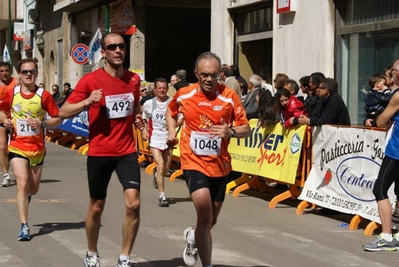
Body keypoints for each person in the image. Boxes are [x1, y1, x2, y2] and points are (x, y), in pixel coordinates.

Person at [59, 33, 145, 267]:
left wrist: (138, 118)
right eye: (112, 47)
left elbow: (134, 104)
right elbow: (63, 112)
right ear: (104, 52)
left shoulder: (134, 80)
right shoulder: (90, 81)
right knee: (96, 207)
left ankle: (124, 258)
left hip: (126, 151)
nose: (118, 50)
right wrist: (87, 102)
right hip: (99, 152)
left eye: (121, 46)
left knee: (134, 204)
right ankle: (92, 252)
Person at [166, 52, 250, 267]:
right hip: (193, 161)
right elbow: (170, 110)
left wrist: (230, 132)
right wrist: (171, 131)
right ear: (196, 74)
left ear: (220, 74)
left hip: (220, 165)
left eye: (214, 75)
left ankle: (193, 237)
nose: (209, 80)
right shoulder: (184, 94)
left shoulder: (230, 96)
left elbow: (246, 129)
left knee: (210, 220)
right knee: (204, 213)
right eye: (204, 75)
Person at [0, 58, 61, 241]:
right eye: (25, 71)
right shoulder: (12, 93)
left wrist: (42, 123)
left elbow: (58, 119)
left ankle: (28, 195)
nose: (28, 74)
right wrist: (5, 120)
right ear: (19, 74)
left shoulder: (44, 95)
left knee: (32, 189)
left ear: (36, 74)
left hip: (37, 148)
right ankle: (24, 226)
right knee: (22, 182)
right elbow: (2, 111)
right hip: (17, 146)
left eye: (32, 71)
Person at [363, 59, 399, 251]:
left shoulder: (397, 95)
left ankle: (386, 236)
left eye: (391, 71)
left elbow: (381, 120)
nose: (389, 74)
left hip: (396, 150)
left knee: (380, 190)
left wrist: (373, 118)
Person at [141, 78, 172, 207]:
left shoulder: (172, 103)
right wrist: (144, 131)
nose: (162, 90)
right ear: (155, 89)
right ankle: (162, 195)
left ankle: (157, 175)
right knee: (160, 165)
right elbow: (144, 118)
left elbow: (181, 118)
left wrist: (172, 126)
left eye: (164, 88)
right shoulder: (149, 104)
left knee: (165, 169)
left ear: (167, 89)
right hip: (155, 138)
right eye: (159, 88)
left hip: (169, 139)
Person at [0, 61, 20, 187]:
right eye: (1, 71)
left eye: (6, 70)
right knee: (2, 147)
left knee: (15, 148)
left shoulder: (16, 82)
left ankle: (20, 173)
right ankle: (6, 175)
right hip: (1, 119)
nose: (4, 73)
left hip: (16, 120)